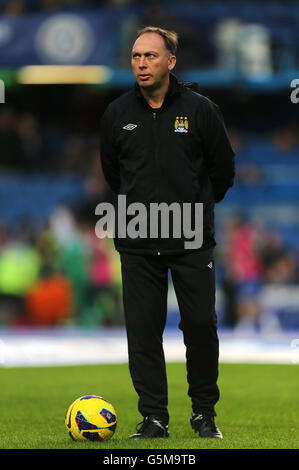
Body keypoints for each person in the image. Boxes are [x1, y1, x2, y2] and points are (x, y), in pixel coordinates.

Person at [100, 26, 235, 439]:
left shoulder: (200, 110)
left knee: (199, 324)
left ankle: (203, 413)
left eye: (151, 56)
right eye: (136, 56)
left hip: (191, 239)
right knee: (142, 331)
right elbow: (112, 174)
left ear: (171, 62)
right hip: (138, 242)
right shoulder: (117, 114)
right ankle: (154, 417)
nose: (142, 63)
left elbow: (223, 171)